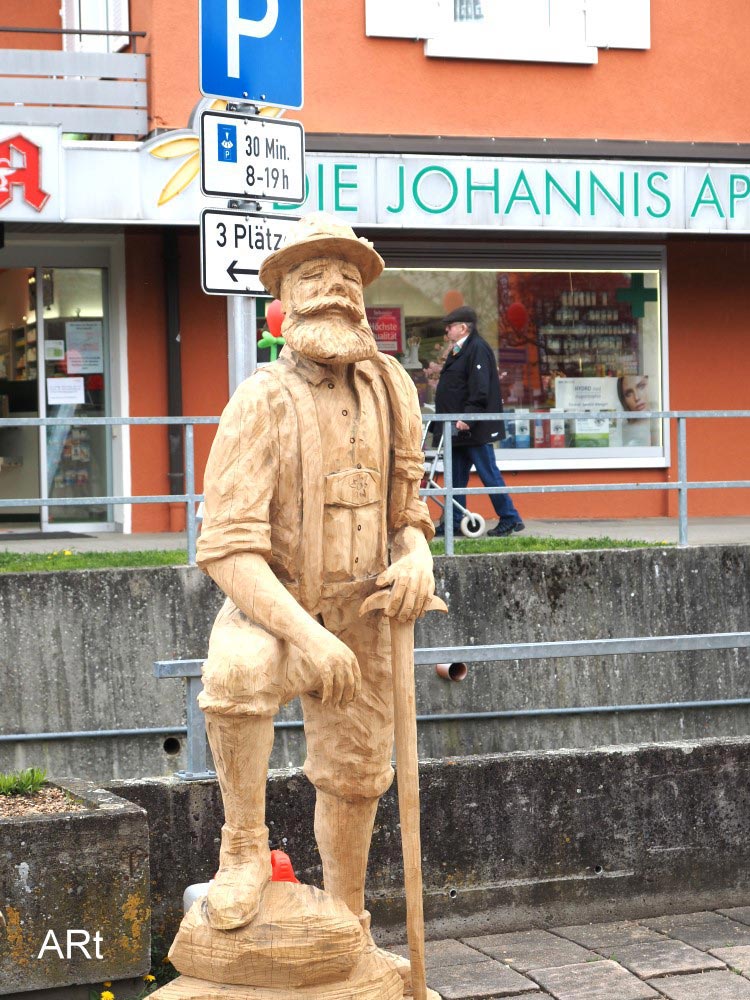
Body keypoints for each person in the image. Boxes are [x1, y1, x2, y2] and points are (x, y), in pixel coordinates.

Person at [195, 213, 435, 983]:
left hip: (366, 613)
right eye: (313, 278)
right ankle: (242, 850)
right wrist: (306, 634)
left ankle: (349, 918)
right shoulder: (259, 400)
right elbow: (228, 549)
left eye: (348, 278)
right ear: (285, 303)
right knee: (235, 674)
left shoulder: (394, 387)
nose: (335, 290)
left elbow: (409, 508)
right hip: (276, 604)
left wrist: (417, 554)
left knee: (360, 769)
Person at [433, 305, 524, 537]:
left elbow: (480, 388)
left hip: (473, 428)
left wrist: (469, 417)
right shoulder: (459, 350)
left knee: (488, 473)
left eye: (451, 326)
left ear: (463, 328)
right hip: (457, 428)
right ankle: (454, 521)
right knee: (455, 478)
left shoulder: (477, 349)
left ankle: (510, 518)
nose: (447, 330)